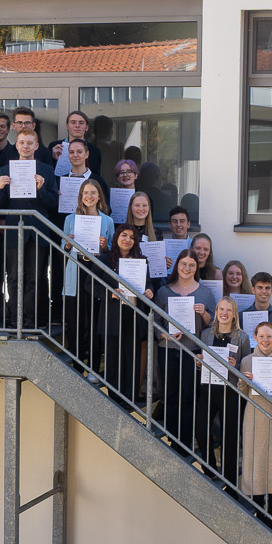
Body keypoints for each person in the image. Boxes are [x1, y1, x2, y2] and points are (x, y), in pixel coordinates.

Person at [154, 249, 219, 449]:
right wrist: (163, 334)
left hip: (192, 353)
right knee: (171, 395)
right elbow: (155, 320)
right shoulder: (164, 291)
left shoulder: (205, 293)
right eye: (183, 264)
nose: (187, 268)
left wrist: (205, 314)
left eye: (191, 265)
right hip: (168, 349)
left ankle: (187, 439)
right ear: (177, 265)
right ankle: (173, 439)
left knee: (189, 396)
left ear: (196, 268)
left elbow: (213, 326)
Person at [0, 126, 54, 329]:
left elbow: (53, 203)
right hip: (14, 230)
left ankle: (32, 319)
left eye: (30, 143)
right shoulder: (5, 170)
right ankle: (15, 318)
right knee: (14, 276)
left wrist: (42, 189)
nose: (26, 146)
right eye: (22, 143)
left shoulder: (46, 170)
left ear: (36, 146)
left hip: (38, 230)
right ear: (16, 145)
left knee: (35, 277)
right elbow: (1, 204)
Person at [234, 318, 272, 516]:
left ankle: (271, 512)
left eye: (269, 336)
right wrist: (244, 381)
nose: (265, 340)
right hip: (254, 416)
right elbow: (242, 392)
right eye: (262, 336)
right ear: (255, 338)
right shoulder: (247, 361)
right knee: (256, 461)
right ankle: (259, 509)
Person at [100, 223, 152, 404]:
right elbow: (90, 284)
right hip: (113, 314)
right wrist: (110, 292)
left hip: (134, 315)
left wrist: (149, 291)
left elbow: (149, 284)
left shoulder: (142, 260)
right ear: (117, 237)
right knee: (114, 357)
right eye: (124, 235)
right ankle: (114, 397)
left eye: (131, 237)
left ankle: (130, 397)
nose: (127, 239)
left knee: (133, 358)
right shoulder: (106, 258)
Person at [199, 297, 249, 481]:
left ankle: (230, 478)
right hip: (209, 387)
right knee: (201, 428)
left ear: (234, 313)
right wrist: (199, 363)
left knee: (230, 436)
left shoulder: (241, 337)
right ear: (217, 312)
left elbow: (246, 369)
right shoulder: (205, 334)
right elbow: (203, 360)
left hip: (230, 390)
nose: (224, 313)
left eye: (228, 310)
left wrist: (236, 366)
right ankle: (210, 470)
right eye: (221, 309)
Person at [60, 176, 109, 360]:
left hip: (96, 272)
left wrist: (105, 246)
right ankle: (77, 361)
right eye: (86, 193)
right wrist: (67, 244)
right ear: (81, 196)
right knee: (75, 319)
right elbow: (62, 249)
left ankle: (94, 361)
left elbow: (111, 251)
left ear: (99, 197)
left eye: (93, 193)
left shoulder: (107, 221)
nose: (89, 196)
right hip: (76, 270)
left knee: (94, 319)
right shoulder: (70, 219)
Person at [241, 272, 272, 353]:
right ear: (253, 290)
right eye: (260, 288)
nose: (264, 291)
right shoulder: (241, 317)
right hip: (247, 363)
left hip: (271, 364)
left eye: (267, 288)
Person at [50, 109, 92, 176]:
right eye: (73, 122)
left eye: (81, 123)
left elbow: (95, 176)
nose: (77, 125)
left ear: (87, 127)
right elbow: (49, 175)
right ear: (67, 126)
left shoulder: (94, 150)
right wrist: (54, 159)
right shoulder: (54, 146)